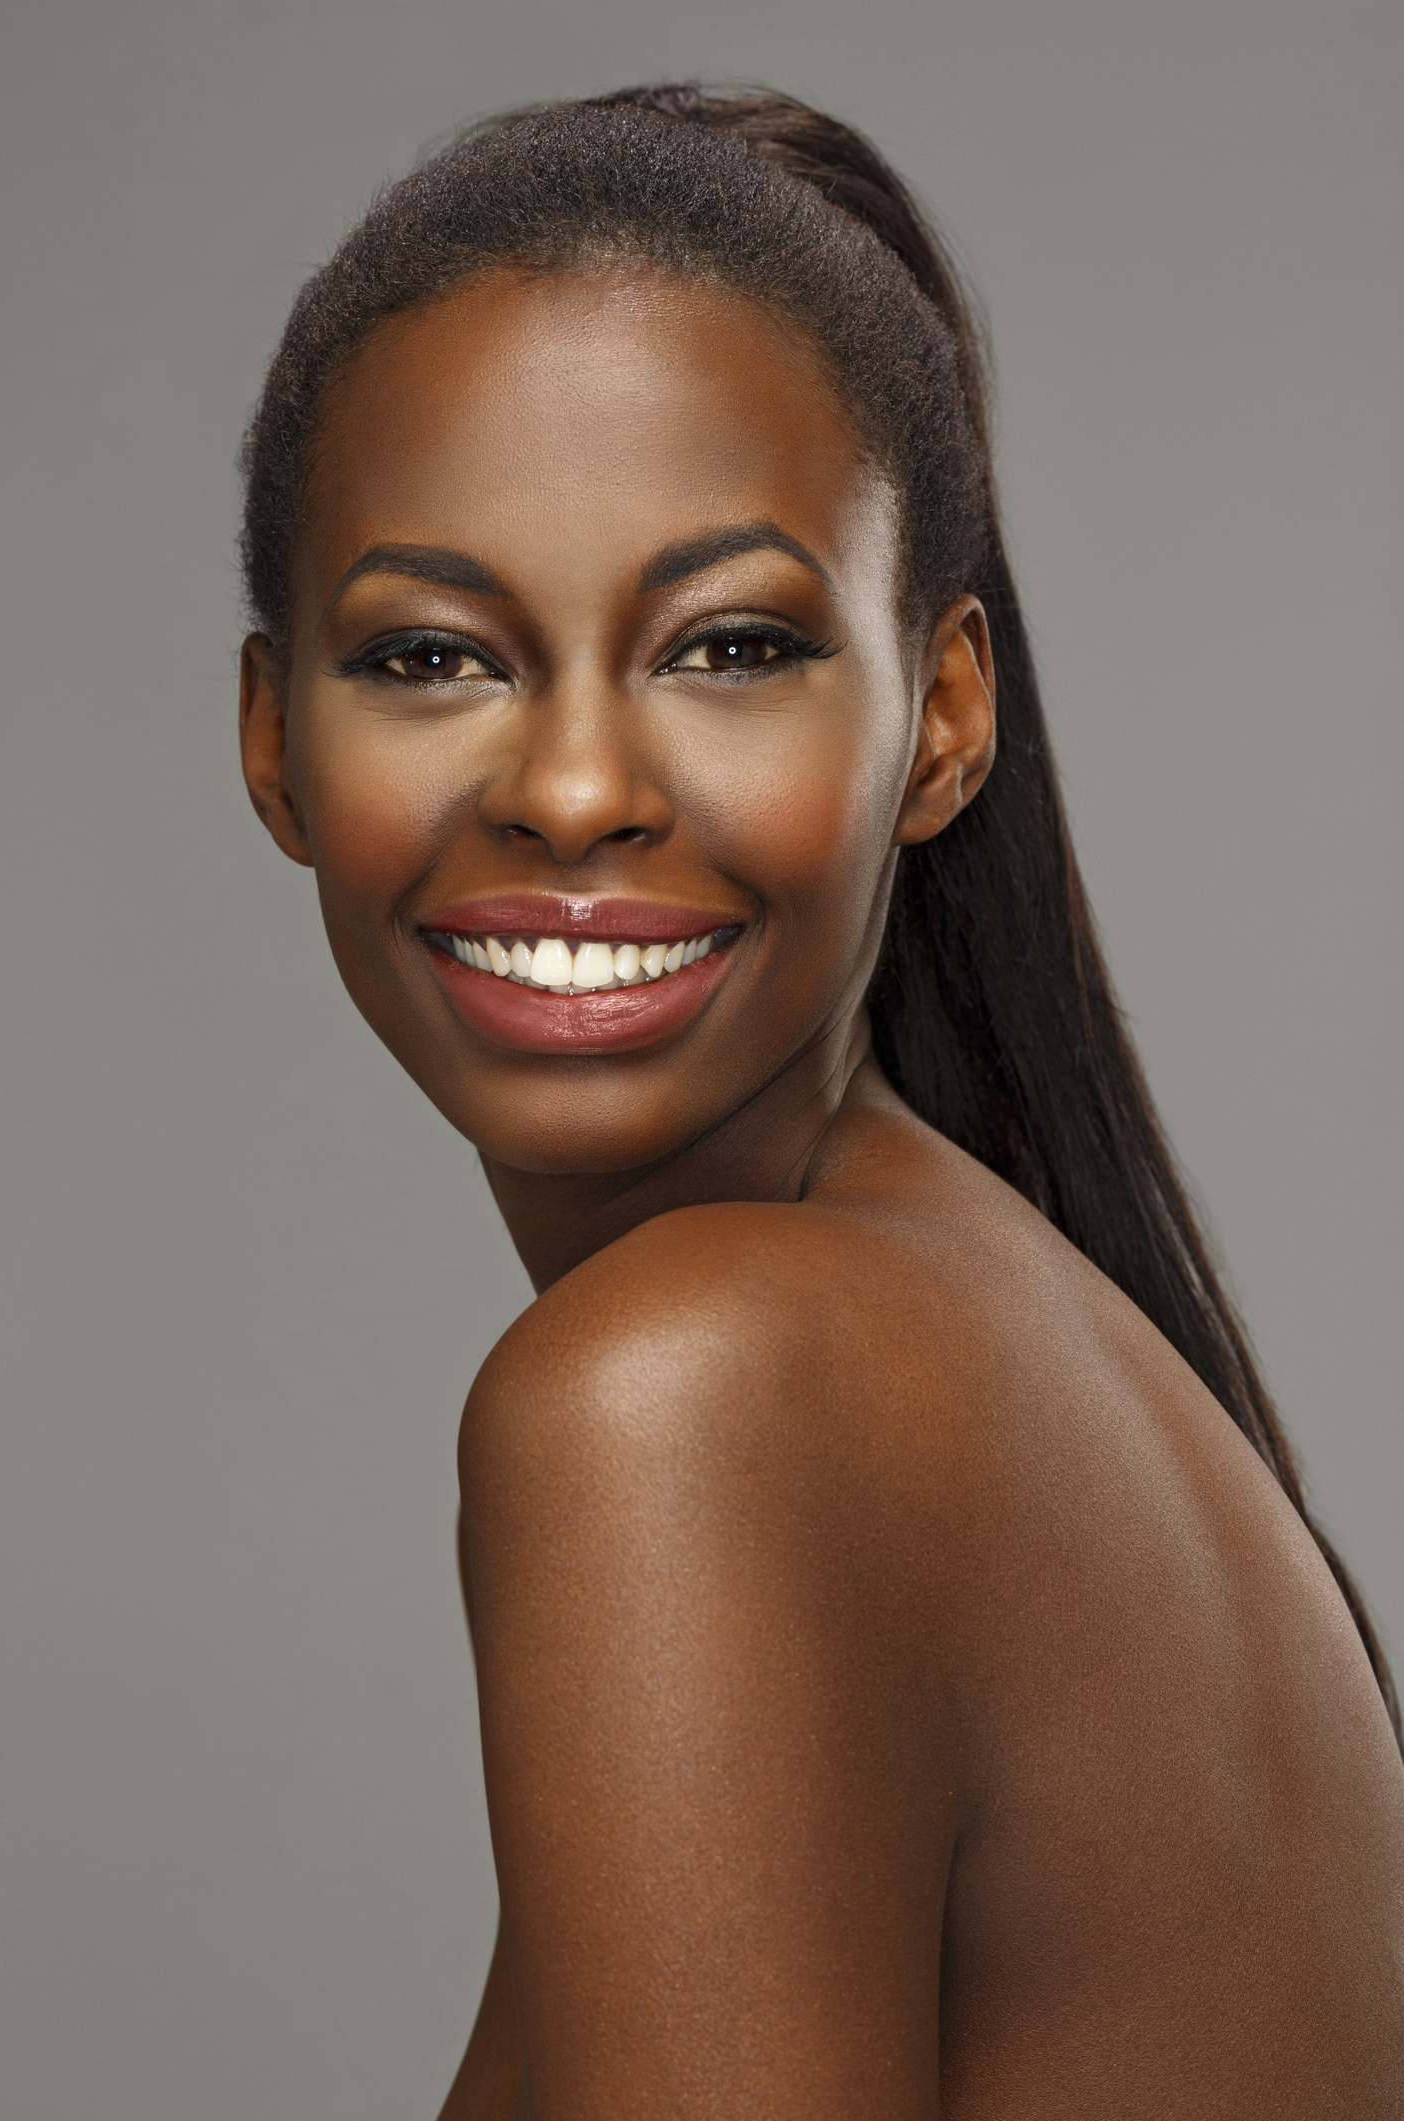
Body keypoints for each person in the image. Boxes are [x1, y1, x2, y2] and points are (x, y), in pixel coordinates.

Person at [237, 85, 1404, 2119]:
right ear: (272, 742)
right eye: (430, 654)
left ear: (943, 715)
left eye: (732, 643)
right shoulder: (982, 1346)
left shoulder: (693, 1397)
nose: (575, 785)